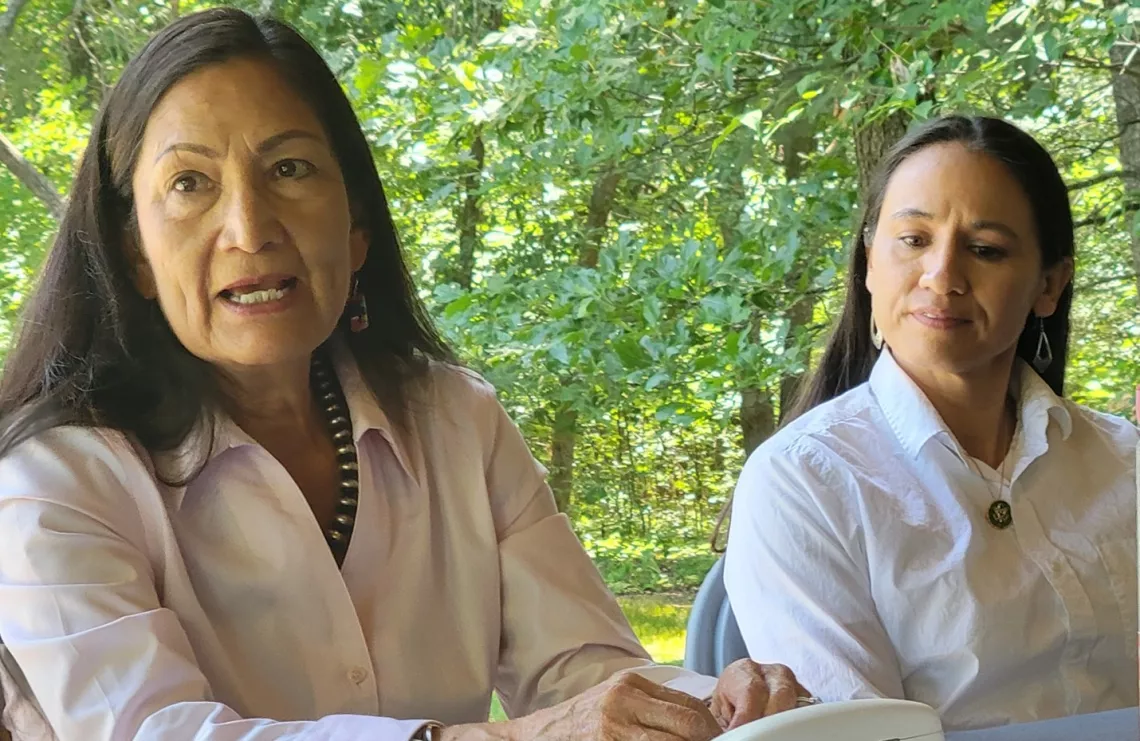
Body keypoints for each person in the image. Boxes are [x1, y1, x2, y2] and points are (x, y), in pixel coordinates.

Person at [0, 8, 810, 741]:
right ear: (135, 253)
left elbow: (582, 669)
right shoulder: (56, 480)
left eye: (290, 169)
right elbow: (157, 732)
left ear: (357, 227)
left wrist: (716, 701)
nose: (249, 227)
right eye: (190, 184)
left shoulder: (455, 417)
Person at [723, 115, 1138, 732]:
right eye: (914, 239)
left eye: (985, 249)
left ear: (1049, 285)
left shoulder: (1124, 460)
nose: (942, 276)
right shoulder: (805, 482)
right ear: (869, 263)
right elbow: (858, 734)